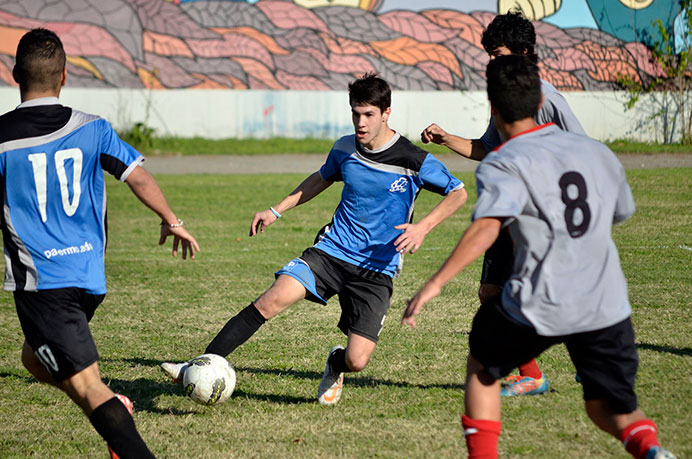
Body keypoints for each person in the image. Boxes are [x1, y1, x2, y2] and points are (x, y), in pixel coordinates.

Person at [402, 54, 675, 459]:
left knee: (482, 364)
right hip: (605, 304)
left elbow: (487, 227)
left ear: (493, 108)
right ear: (539, 101)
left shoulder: (504, 162)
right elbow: (621, 212)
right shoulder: (595, 152)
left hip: (539, 301)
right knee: (607, 408)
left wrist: (433, 285)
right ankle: (651, 448)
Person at [162, 73, 467, 405]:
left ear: (386, 113)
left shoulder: (412, 159)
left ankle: (336, 364)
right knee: (269, 301)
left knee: (357, 360)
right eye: (355, 114)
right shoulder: (345, 148)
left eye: (368, 115)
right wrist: (276, 210)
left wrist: (423, 227)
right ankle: (199, 365)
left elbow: (458, 193)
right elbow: (321, 178)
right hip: (332, 252)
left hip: (376, 269)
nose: (360, 123)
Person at [2, 28, 200, 458]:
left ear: (15, 74)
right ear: (64, 76)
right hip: (89, 277)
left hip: (43, 285)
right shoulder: (93, 128)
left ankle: (117, 418)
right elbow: (138, 175)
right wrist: (172, 220)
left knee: (89, 386)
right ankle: (112, 407)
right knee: (34, 360)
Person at [420, 11, 587, 397]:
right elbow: (487, 148)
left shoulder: (547, 99)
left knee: (542, 293)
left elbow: (582, 152)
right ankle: (532, 374)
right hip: (508, 210)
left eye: (497, 54)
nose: (490, 63)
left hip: (540, 215)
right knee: (491, 292)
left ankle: (589, 357)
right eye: (489, 56)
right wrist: (446, 138)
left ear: (524, 52)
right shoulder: (506, 99)